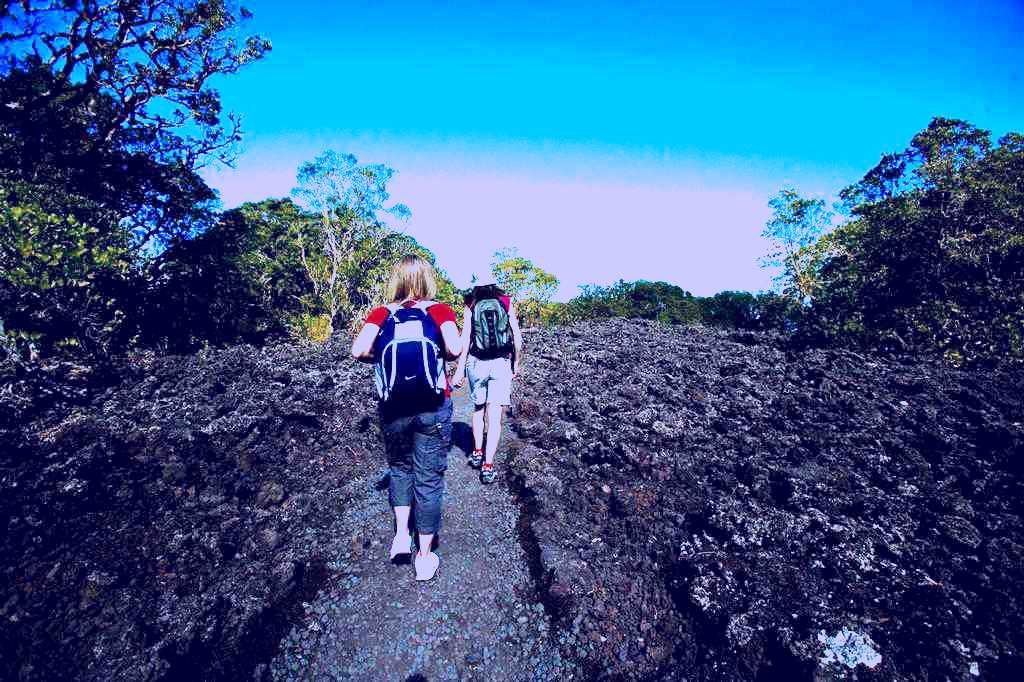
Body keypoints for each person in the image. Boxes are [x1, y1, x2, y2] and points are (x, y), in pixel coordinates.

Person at [351, 255, 461, 581]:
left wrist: (380, 357)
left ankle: (402, 534)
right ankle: (424, 558)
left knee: (400, 468)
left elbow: (358, 350)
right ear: (428, 279)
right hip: (433, 406)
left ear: (395, 279)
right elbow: (454, 350)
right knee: (428, 479)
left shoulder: (384, 312)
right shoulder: (439, 309)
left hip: (393, 407)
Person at [452, 273, 523, 484]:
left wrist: (460, 369)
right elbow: (517, 337)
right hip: (501, 363)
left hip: (477, 363)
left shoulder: (470, 303)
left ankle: (476, 451)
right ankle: (488, 464)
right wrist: (516, 362)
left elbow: (465, 338)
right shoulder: (506, 301)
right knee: (495, 415)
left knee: (478, 409)